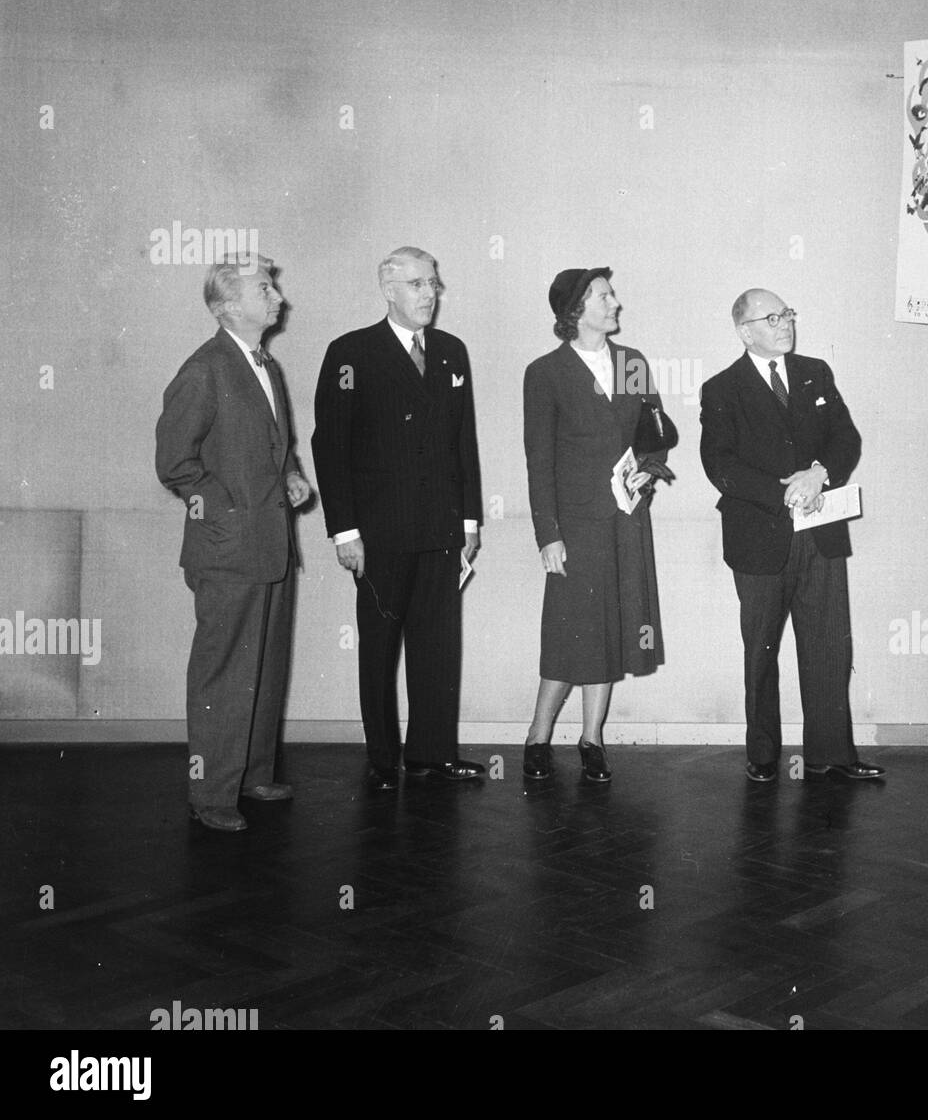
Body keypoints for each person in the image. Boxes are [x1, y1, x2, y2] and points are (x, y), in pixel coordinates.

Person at [311, 247, 483, 790]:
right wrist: (344, 529)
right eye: (415, 284)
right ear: (388, 290)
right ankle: (383, 758)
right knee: (380, 648)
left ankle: (432, 753)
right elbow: (330, 447)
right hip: (379, 533)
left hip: (439, 528)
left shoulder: (452, 352)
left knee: (438, 646)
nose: (429, 293)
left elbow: (464, 442)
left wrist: (471, 521)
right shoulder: (351, 352)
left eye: (433, 283)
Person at [699, 289, 883, 784]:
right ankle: (762, 755)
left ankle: (832, 755)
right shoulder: (721, 389)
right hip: (759, 538)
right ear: (745, 332)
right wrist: (783, 492)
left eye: (788, 314)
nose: (785, 324)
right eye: (772, 317)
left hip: (821, 534)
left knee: (828, 648)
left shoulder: (816, 373)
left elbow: (847, 438)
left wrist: (819, 474)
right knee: (761, 649)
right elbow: (719, 465)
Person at [155, 254, 311, 832]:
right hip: (227, 548)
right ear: (226, 306)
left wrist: (290, 474)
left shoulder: (264, 364)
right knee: (224, 671)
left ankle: (252, 774)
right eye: (265, 289)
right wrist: (226, 508)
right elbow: (175, 461)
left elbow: (275, 445)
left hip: (270, 544)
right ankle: (212, 794)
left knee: (266, 664)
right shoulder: (205, 368)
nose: (277, 298)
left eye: (274, 286)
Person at [522, 269, 667, 783]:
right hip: (576, 526)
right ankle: (538, 738)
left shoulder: (633, 364)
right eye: (604, 296)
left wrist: (646, 474)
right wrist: (548, 534)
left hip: (625, 520)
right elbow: (538, 461)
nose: (615, 303)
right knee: (568, 633)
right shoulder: (546, 373)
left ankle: (592, 740)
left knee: (609, 630)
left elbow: (655, 436)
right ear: (576, 310)